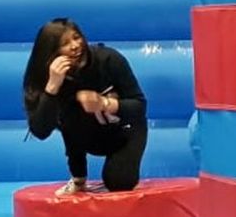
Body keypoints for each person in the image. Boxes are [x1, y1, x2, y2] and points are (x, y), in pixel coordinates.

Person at [23, 19, 147, 195]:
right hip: (84, 135)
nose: (75, 46)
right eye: (65, 44)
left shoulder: (109, 59)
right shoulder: (46, 76)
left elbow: (139, 107)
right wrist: (52, 88)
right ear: (52, 52)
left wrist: (104, 103)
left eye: (76, 37)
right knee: (70, 110)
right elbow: (40, 131)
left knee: (119, 181)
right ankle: (78, 178)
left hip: (124, 131)